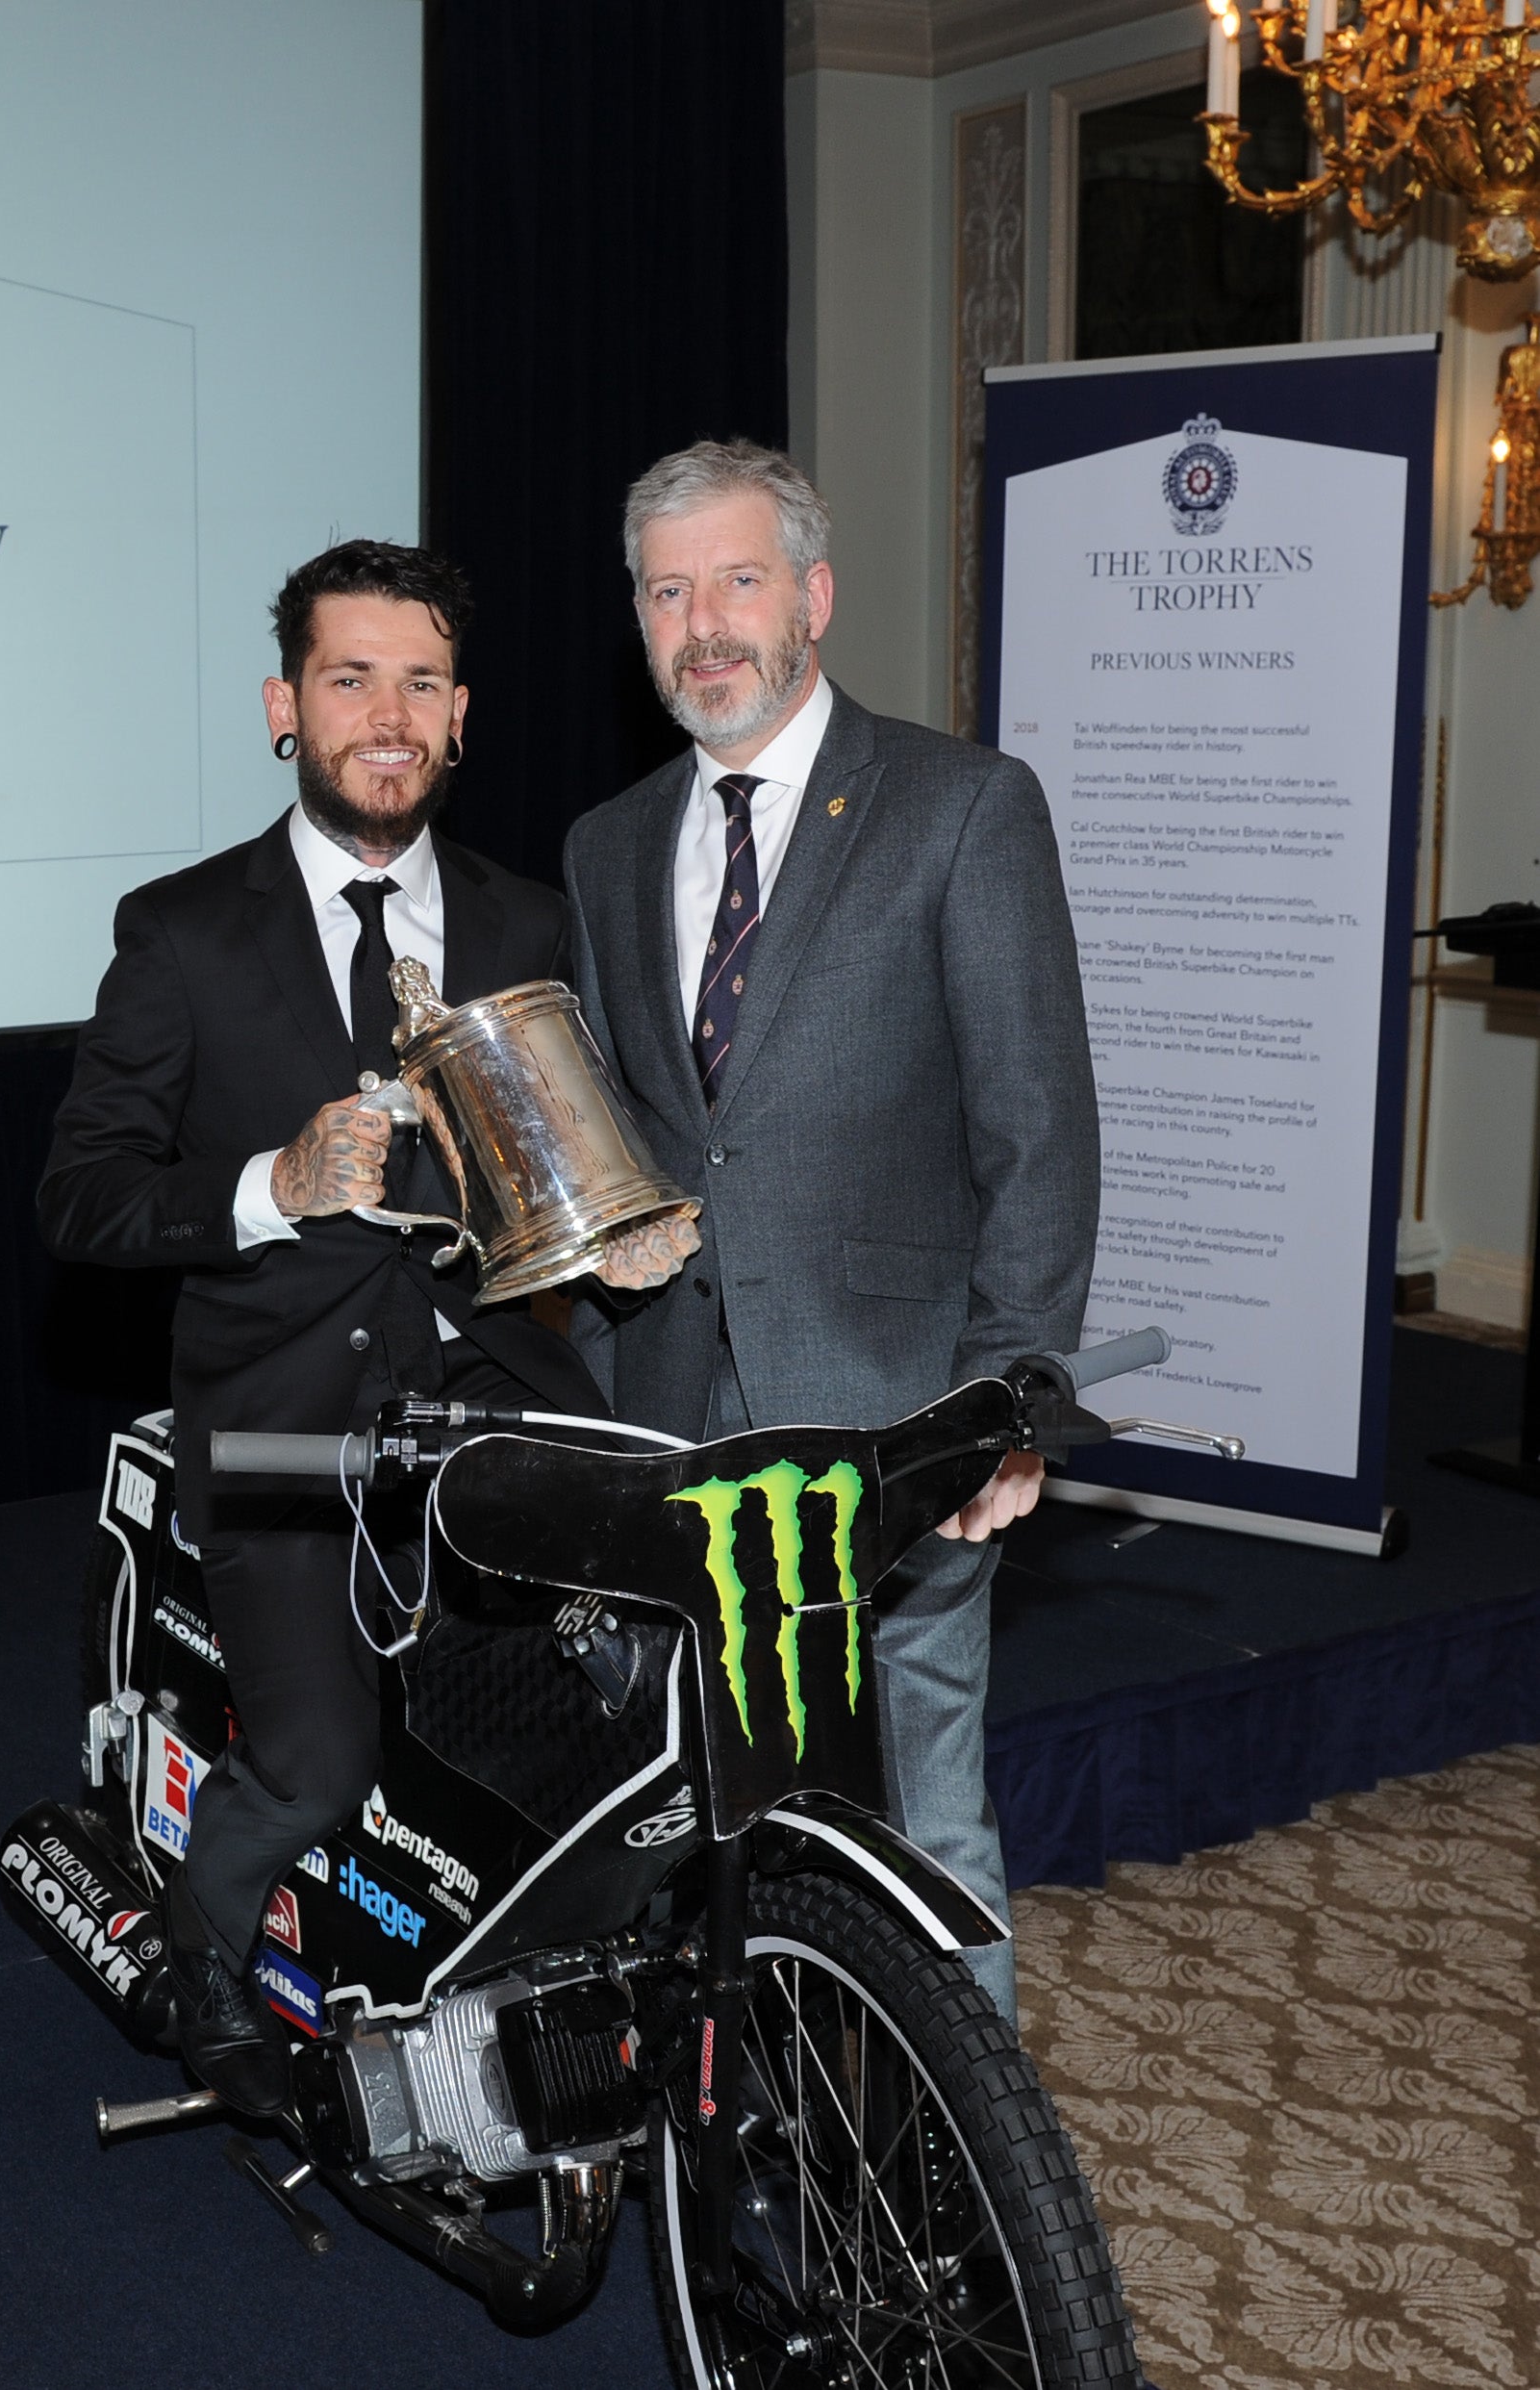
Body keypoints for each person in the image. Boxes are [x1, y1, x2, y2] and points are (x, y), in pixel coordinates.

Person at [38, 540, 693, 2113]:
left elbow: (543, 1173)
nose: (386, 715)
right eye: (351, 679)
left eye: (419, 683)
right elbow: (82, 1198)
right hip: (273, 1423)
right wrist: (271, 1179)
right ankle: (204, 1936)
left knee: (636, 1713)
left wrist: (614, 1244)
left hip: (488, 1397)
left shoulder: (526, 920)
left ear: (459, 715)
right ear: (287, 707)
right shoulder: (185, 932)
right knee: (320, 1766)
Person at [562, 440, 1099, 2024]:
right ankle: (751, 2138)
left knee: (922, 1821)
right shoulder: (608, 844)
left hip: (897, 1418)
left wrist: (1008, 1407)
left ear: (814, 595)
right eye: (668, 592)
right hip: (671, 1416)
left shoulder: (961, 807)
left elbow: (1038, 1133)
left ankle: (958, 2191)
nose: (702, 625)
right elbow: (628, 1133)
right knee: (698, 1817)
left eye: (736, 580)